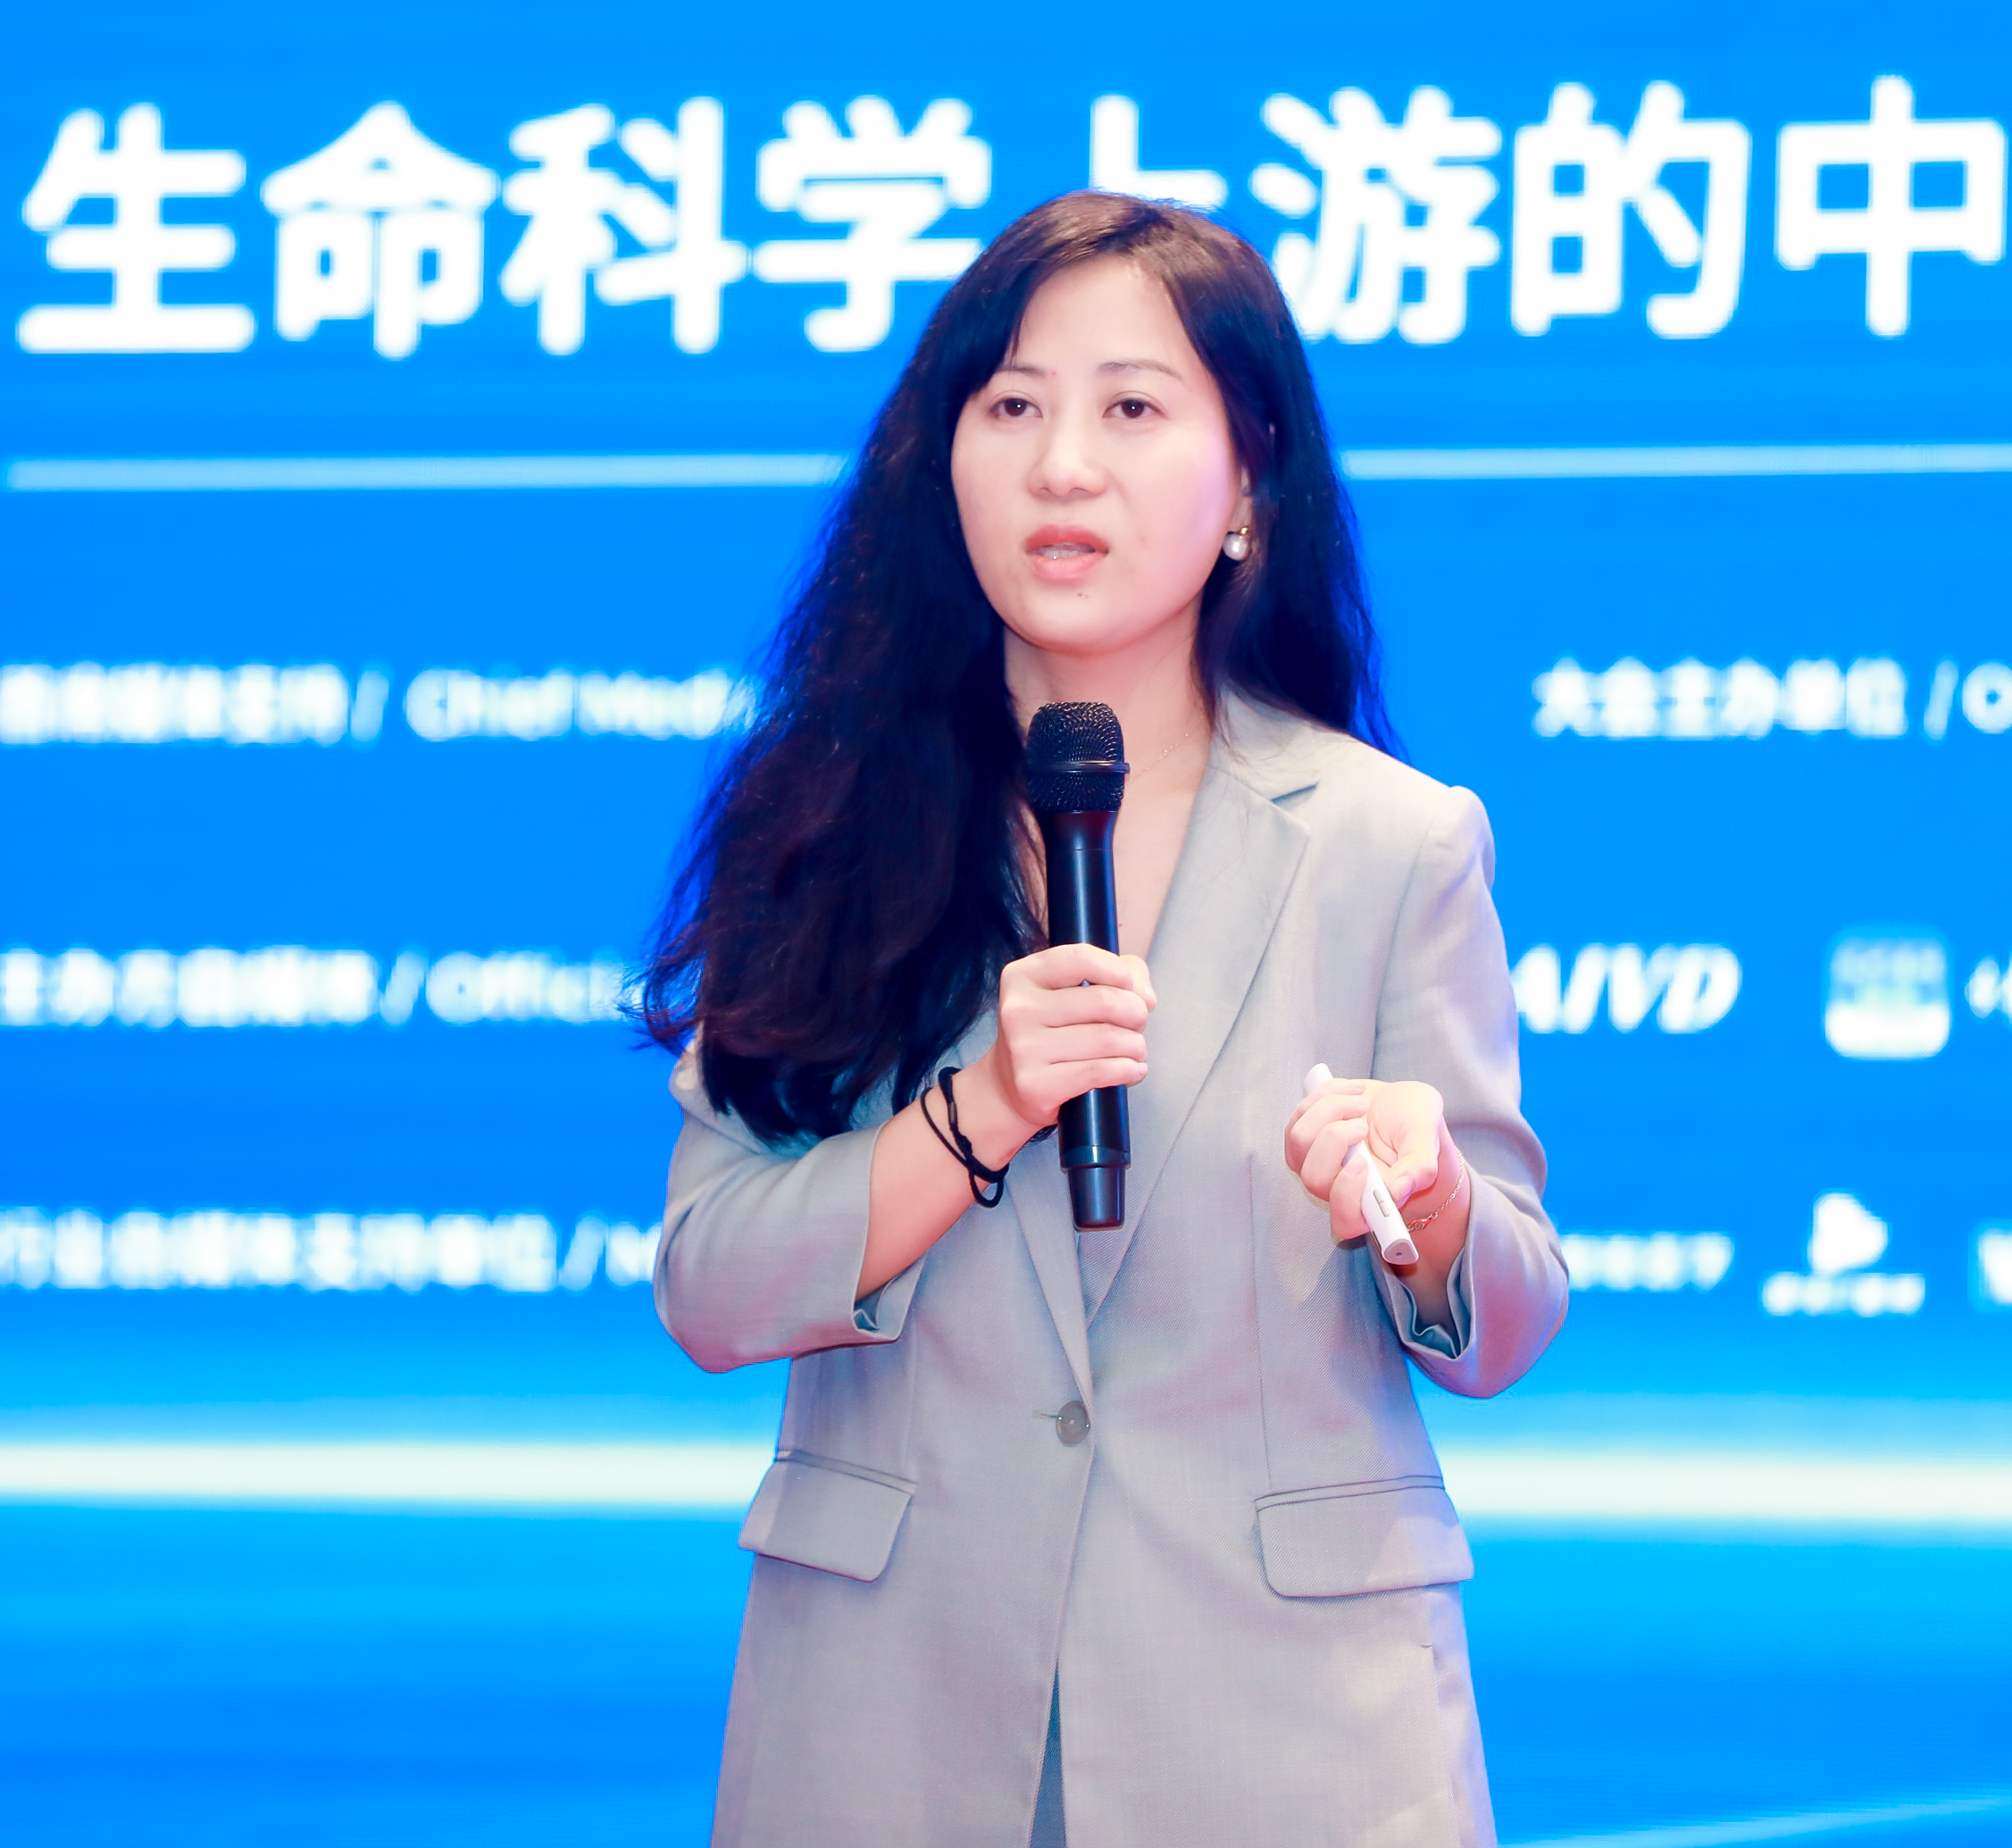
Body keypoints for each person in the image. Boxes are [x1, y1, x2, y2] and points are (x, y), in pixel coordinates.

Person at [637, 191, 1567, 1848]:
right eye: (1012, 407)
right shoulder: (831, 825)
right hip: (892, 1718)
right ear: (943, 465)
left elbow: (1508, 1319)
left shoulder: (1392, 841)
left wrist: (1427, 1204)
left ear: (1250, 484)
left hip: (1286, 1730)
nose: (1063, 465)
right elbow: (710, 1283)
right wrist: (976, 1113)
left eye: (1133, 408)